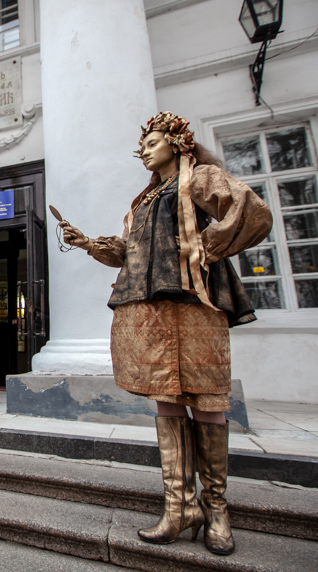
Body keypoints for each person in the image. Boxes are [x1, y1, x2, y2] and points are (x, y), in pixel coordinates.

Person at [59, 112, 272, 556]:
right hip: (152, 311)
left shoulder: (198, 179)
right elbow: (126, 254)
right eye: (142, 144)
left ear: (176, 144)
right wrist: (85, 242)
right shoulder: (142, 200)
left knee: (208, 401)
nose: (144, 149)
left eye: (152, 141)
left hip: (195, 307)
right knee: (168, 400)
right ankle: (179, 508)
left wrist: (207, 247)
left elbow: (250, 211)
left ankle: (217, 511)